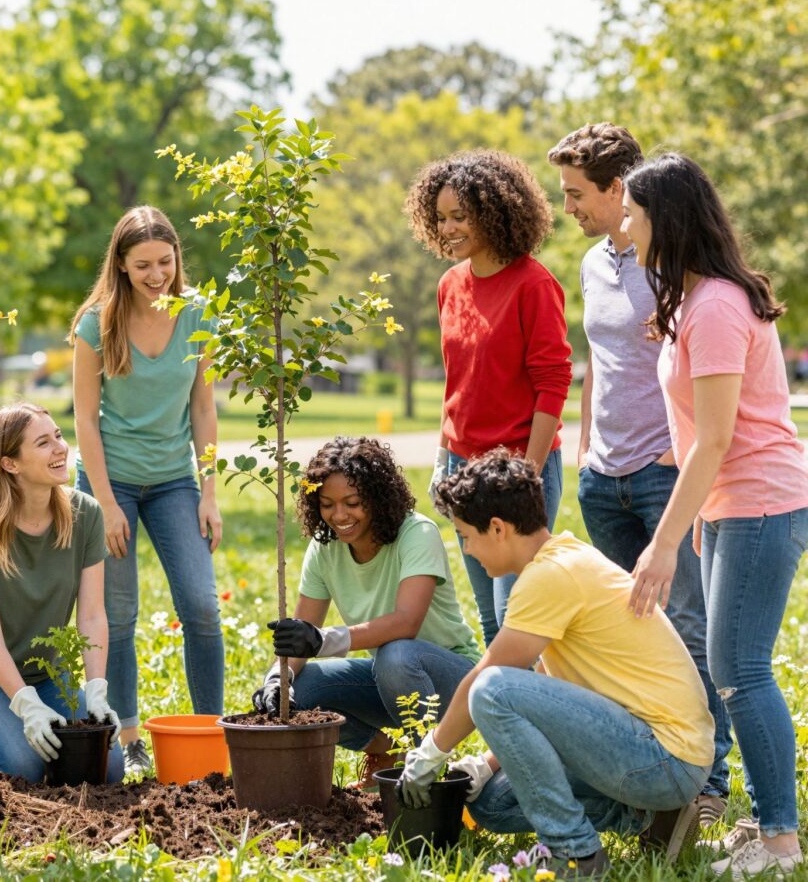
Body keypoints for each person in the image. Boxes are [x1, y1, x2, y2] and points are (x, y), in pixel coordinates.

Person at [397, 450, 713, 879]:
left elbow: (487, 684)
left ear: (498, 528)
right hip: (640, 751)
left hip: (665, 758)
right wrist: (486, 765)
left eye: (466, 536)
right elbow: (547, 691)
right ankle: (648, 819)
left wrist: (431, 751)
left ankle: (578, 855)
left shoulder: (552, 576)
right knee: (490, 802)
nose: (467, 550)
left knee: (491, 687)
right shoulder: (557, 560)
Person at [624, 153, 808, 878]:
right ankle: (770, 825)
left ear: (664, 218)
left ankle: (781, 842)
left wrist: (662, 543)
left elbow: (720, 437)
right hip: (735, 505)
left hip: (762, 500)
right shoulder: (696, 298)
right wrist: (700, 517)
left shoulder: (719, 307)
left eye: (633, 216)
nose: (625, 230)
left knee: (741, 672)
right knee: (736, 669)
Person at [547, 123, 731, 827]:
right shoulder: (595, 264)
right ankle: (642, 775)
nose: (568, 207)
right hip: (605, 475)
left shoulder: (678, 266)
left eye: (576, 194)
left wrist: (672, 452)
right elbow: (601, 361)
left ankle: (706, 785)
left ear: (618, 187)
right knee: (626, 633)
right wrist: (589, 445)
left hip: (665, 473)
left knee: (686, 624)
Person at [70, 205, 223, 775]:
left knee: (202, 606)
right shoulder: (97, 323)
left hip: (174, 483)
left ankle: (212, 732)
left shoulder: (198, 316)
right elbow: (85, 421)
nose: (157, 274)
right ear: (122, 264)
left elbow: (203, 407)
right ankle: (129, 736)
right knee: (119, 614)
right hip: (110, 483)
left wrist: (209, 491)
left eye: (165, 260)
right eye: (143, 265)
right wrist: (106, 504)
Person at [405, 150, 573, 647]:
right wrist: (442, 458)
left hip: (518, 467)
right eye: (441, 217)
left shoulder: (534, 284)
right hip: (461, 466)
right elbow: (457, 382)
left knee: (517, 614)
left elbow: (553, 383)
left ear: (495, 211)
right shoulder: (449, 285)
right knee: (491, 617)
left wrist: (528, 474)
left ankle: (541, 713)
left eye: (461, 215)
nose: (449, 227)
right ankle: (506, 717)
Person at [251, 437, 481, 790]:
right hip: (387, 677)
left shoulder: (416, 534)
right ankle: (387, 754)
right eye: (326, 504)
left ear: (377, 497)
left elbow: (407, 622)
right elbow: (303, 632)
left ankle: (426, 765)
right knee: (302, 689)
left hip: (451, 681)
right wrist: (276, 679)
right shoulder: (325, 548)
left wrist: (326, 640)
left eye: (353, 503)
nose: (339, 516)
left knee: (397, 653)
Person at [0, 403, 124, 783]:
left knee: (108, 769)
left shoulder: (85, 513)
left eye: (58, 435)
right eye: (43, 442)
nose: (60, 448)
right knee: (23, 768)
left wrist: (97, 691)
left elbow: (91, 616)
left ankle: (3, 733)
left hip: (46, 675)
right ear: (10, 464)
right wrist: (25, 706)